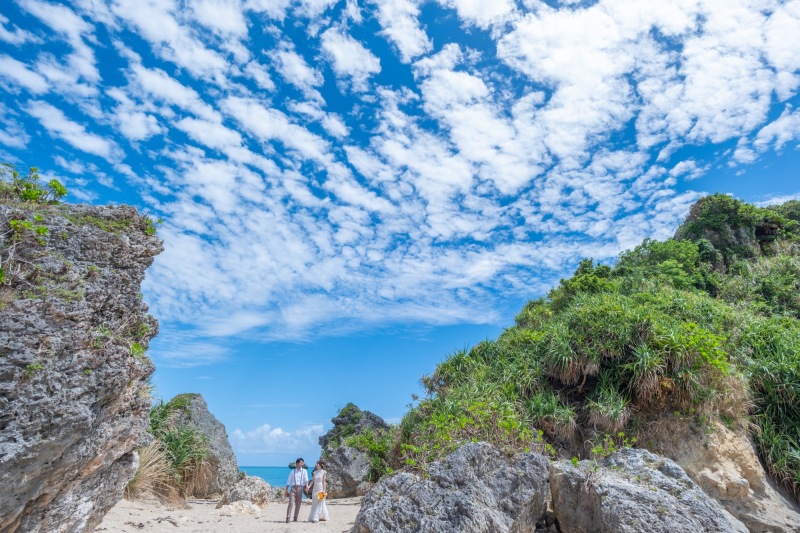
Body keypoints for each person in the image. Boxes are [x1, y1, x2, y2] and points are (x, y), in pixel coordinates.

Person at [286, 457, 308, 523]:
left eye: (302, 462)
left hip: (300, 488)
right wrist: (286, 489)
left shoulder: (304, 471)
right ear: (297, 463)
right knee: (291, 503)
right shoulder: (293, 471)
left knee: (298, 504)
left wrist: (307, 486)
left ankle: (295, 517)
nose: (302, 464)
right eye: (301, 462)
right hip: (293, 488)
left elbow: (306, 479)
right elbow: (289, 481)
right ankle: (288, 517)